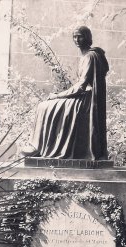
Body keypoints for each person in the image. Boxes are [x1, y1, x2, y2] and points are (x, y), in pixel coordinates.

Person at [21, 26, 109, 160]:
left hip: (86, 101)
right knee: (44, 106)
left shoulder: (90, 56)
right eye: (75, 36)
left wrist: (57, 95)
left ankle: (38, 147)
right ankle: (37, 146)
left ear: (88, 38)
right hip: (84, 97)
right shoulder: (87, 56)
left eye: (80, 36)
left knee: (45, 106)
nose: (77, 39)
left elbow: (81, 86)